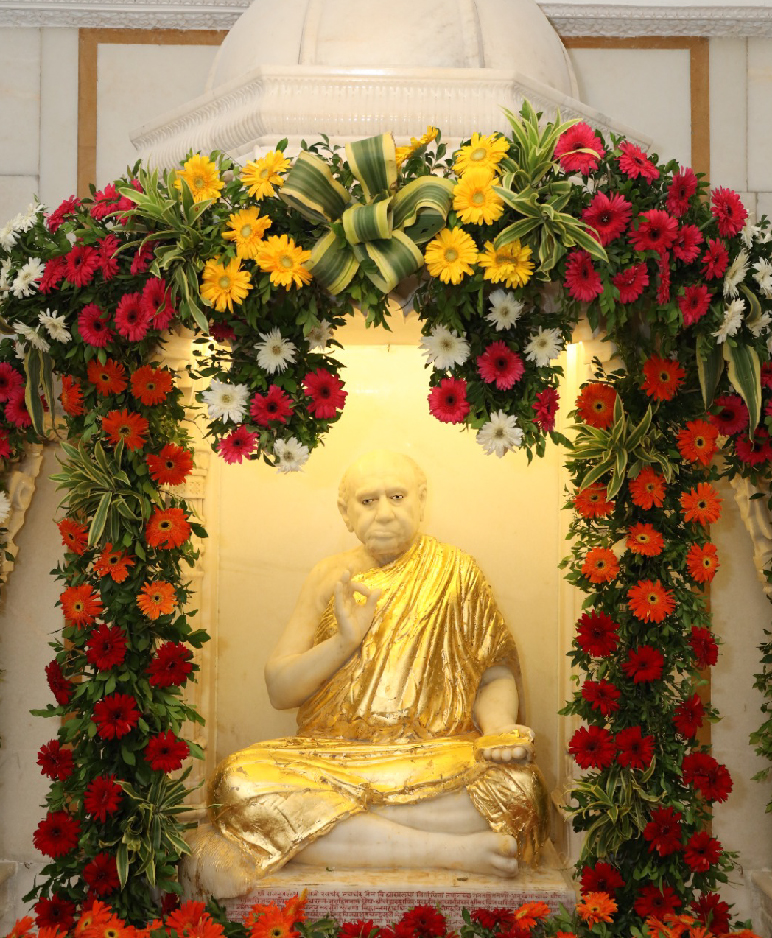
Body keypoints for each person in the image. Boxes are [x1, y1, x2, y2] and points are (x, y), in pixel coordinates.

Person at [182, 451, 549, 899]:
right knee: (236, 783)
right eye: (368, 501)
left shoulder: (457, 571)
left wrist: (498, 731)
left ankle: (345, 833)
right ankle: (447, 852)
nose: (385, 513)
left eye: (397, 497)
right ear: (346, 512)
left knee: (519, 789)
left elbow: (493, 674)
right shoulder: (328, 578)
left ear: (420, 500)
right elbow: (280, 689)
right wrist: (343, 642)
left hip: (436, 755)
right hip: (331, 758)